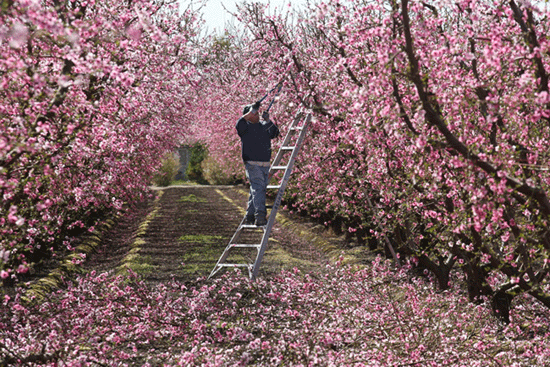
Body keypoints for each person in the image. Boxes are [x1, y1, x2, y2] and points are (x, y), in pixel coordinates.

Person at [236, 101, 280, 226]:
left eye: (257, 114)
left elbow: (275, 133)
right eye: (253, 114)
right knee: (258, 188)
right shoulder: (245, 127)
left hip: (265, 163)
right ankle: (260, 215)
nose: (256, 115)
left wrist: (268, 120)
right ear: (248, 115)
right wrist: (251, 111)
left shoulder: (263, 125)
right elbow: (239, 123)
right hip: (252, 163)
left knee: (257, 188)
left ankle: (250, 215)